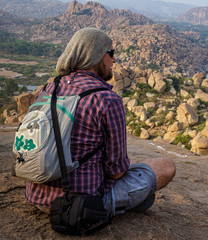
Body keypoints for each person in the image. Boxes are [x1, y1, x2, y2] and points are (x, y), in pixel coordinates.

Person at [25, 27, 176, 216]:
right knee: (165, 165)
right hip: (82, 204)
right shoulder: (106, 99)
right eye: (110, 53)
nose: (114, 60)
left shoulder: (49, 88)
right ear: (95, 55)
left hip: (37, 197)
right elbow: (116, 172)